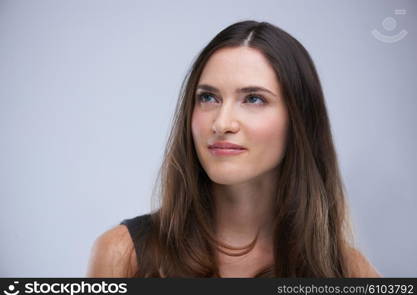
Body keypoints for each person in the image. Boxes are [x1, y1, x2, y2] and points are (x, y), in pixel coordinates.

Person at [86, 20, 381, 278]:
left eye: (253, 99)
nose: (222, 122)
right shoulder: (123, 255)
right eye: (209, 98)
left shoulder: (347, 270)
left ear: (299, 120)